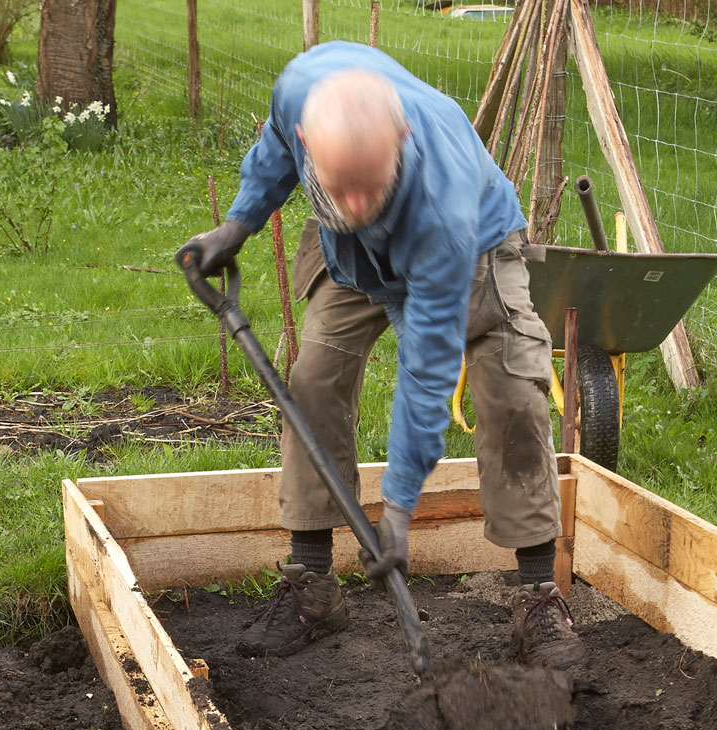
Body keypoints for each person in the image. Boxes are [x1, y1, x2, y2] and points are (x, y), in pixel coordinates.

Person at [178, 41, 586, 671]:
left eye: (370, 187)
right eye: (343, 187)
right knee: (311, 380)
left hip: (468, 250)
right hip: (347, 258)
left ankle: (537, 593)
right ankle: (311, 583)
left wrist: (397, 512)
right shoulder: (299, 98)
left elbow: (425, 375)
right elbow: (275, 154)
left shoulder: (443, 211)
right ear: (312, 140)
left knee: (510, 394)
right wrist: (239, 224)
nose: (359, 205)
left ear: (401, 135)